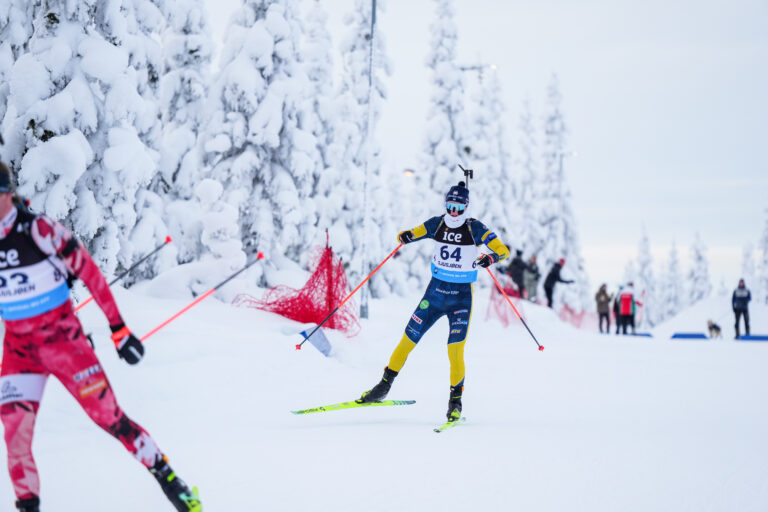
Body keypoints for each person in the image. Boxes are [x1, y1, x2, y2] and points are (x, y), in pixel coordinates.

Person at [0, 163, 201, 512]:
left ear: (6, 194)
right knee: (15, 434)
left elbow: (89, 273)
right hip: (20, 351)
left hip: (65, 346)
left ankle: (171, 481)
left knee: (109, 419)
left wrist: (118, 329)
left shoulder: (38, 229)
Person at [357, 181, 509, 423]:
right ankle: (383, 387)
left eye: (458, 208)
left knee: (455, 350)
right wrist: (405, 236)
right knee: (407, 340)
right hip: (434, 295)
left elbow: (503, 250)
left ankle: (455, 403)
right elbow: (411, 233)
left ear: (466, 207)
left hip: (461, 299)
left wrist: (490, 257)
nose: (453, 212)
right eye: (450, 206)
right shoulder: (437, 223)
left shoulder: (475, 228)